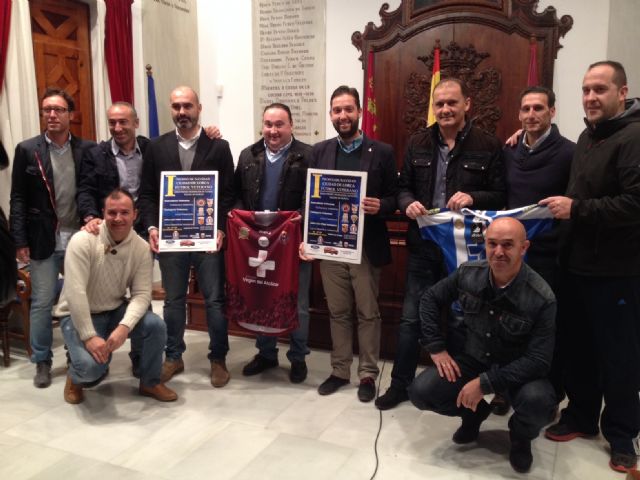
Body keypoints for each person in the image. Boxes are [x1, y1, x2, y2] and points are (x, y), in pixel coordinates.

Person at [376, 78, 506, 410]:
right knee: (412, 318)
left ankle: (458, 388)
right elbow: (403, 187)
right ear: (433, 108)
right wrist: (407, 203)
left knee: (462, 320)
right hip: (423, 245)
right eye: (440, 104)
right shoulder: (417, 141)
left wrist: (473, 197)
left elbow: (501, 196)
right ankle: (400, 384)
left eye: (452, 103)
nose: (445, 109)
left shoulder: (488, 145)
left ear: (467, 104)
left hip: (466, 252)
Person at [540, 61, 640, 474]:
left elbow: (635, 203)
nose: (591, 97)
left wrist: (576, 209)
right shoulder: (587, 136)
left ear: (622, 92)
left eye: (600, 89)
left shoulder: (634, 136)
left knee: (618, 355)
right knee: (578, 348)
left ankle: (622, 435)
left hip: (615, 271)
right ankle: (581, 417)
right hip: (576, 266)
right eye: (586, 90)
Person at [408, 217, 557, 473]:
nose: (498, 252)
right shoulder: (468, 273)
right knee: (421, 391)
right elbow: (430, 298)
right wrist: (435, 346)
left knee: (539, 403)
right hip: (475, 359)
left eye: (508, 245)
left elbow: (538, 360)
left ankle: (520, 438)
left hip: (518, 371)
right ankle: (473, 415)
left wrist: (485, 384)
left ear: (524, 248)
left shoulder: (542, 297)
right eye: (492, 244)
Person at [137, 86, 235, 388]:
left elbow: (228, 195)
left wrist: (220, 229)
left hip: (208, 241)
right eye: (176, 106)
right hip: (171, 239)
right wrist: (152, 228)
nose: (182, 112)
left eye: (187, 106)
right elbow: (147, 194)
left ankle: (218, 358)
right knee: (173, 301)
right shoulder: (156, 147)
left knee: (214, 301)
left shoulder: (218, 147)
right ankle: (173, 356)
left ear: (199, 108)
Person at [306, 85, 398, 402]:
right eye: (337, 110)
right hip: (330, 245)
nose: (342, 115)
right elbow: (309, 198)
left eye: (348, 109)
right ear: (330, 114)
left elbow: (395, 196)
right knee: (338, 312)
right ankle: (340, 370)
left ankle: (368, 374)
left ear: (359, 111)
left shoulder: (381, 152)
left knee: (368, 313)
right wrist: (309, 240)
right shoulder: (319, 151)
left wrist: (381, 205)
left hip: (366, 247)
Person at [53, 188, 177, 404]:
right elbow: (75, 293)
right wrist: (89, 336)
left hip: (113, 310)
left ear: (135, 215)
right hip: (76, 314)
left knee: (155, 326)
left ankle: (150, 382)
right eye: (112, 212)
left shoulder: (141, 248)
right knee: (92, 370)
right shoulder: (82, 241)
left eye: (124, 212)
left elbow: (141, 294)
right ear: (103, 213)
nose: (118, 218)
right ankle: (75, 376)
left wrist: (124, 327)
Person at [9, 88, 95, 388]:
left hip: (79, 239)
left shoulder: (87, 149)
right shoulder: (26, 149)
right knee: (42, 302)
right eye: (47, 110)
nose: (52, 115)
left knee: (78, 301)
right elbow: (18, 198)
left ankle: (76, 354)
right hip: (42, 239)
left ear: (70, 114)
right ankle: (42, 360)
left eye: (58, 110)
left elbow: (92, 189)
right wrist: (19, 240)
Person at [499, 86, 575, 414]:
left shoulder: (570, 153)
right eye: (526, 109)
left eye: (539, 108)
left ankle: (548, 396)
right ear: (519, 114)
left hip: (549, 256)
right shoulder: (509, 150)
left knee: (546, 329)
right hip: (512, 257)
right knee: (508, 326)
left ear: (552, 112)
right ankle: (505, 390)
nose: (531, 115)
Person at [234, 102, 312, 384]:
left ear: (291, 126)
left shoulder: (308, 155)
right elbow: (237, 194)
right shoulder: (248, 155)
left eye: (280, 124)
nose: (273, 130)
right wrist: (241, 218)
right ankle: (266, 354)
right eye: (268, 124)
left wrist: (300, 218)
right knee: (262, 296)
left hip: (293, 243)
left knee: (298, 303)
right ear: (262, 126)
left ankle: (298, 357)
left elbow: (312, 197)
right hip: (258, 242)